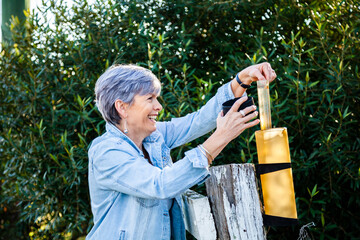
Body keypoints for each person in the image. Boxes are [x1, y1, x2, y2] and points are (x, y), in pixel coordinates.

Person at [86, 62, 277, 239]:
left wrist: (241, 81)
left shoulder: (154, 135)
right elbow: (160, 185)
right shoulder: (106, 152)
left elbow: (198, 121)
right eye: (150, 99)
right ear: (122, 107)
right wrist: (220, 137)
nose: (158, 106)